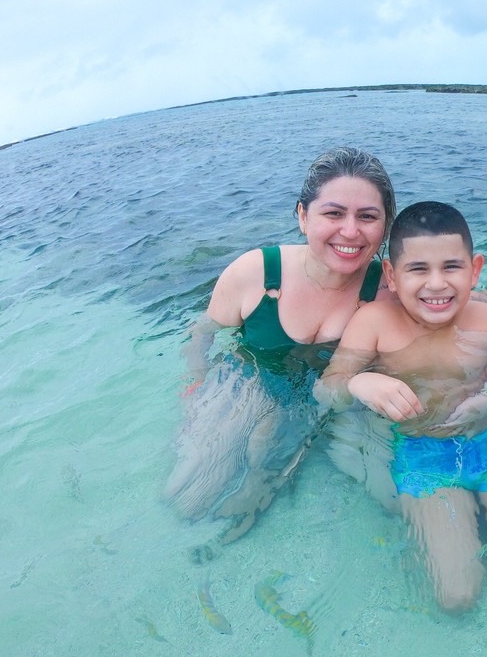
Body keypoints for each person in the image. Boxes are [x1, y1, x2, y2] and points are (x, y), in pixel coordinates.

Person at [316, 201, 487, 613]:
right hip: (421, 455)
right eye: (418, 269)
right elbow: (327, 390)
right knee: (455, 596)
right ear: (391, 275)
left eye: (451, 267)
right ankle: (454, 529)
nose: (436, 284)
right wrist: (361, 380)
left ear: (475, 269)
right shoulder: (374, 323)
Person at [164, 147, 398, 544]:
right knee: (188, 500)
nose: (351, 231)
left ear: (386, 226)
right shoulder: (255, 273)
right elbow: (201, 333)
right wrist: (197, 388)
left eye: (368, 217)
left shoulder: (387, 291)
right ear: (303, 216)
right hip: (252, 383)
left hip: (338, 395)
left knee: (388, 499)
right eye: (333, 213)